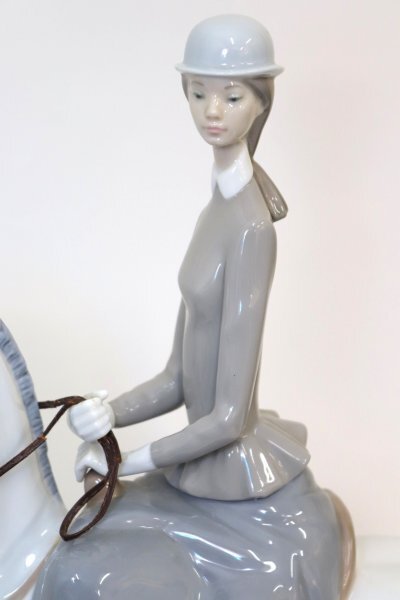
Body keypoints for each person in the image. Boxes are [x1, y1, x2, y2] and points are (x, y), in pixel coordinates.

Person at [69, 14, 310, 501]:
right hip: (193, 458)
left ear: (262, 103)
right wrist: (109, 414)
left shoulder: (251, 231)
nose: (212, 111)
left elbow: (229, 419)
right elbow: (178, 379)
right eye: (199, 94)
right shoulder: (214, 210)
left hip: (225, 467)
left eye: (232, 97)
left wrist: (124, 463)